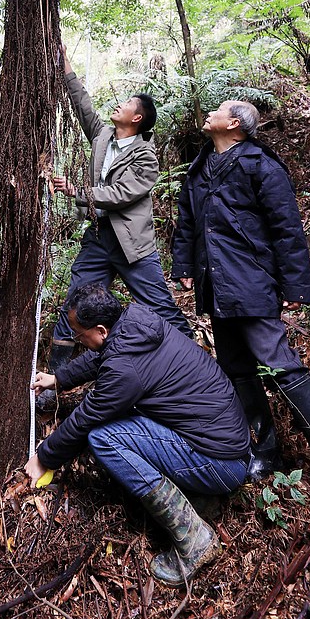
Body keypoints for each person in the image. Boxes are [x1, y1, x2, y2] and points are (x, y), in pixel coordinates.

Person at [171, 100, 310, 515]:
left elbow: (286, 227)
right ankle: (267, 451)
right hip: (216, 285)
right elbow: (187, 222)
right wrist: (185, 265)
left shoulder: (260, 165)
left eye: (219, 110)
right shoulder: (201, 166)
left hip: (252, 281)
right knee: (237, 369)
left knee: (283, 366)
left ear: (235, 124)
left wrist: (295, 284)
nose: (210, 113)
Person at [25, 283, 250, 584]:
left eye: (79, 334)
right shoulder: (135, 323)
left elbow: (86, 417)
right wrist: (59, 377)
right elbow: (103, 356)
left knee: (104, 438)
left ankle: (195, 538)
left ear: (102, 329)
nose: (78, 339)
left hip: (219, 463)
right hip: (225, 444)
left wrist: (44, 457)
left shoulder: (124, 370)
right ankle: (195, 494)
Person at [42, 46, 192, 405]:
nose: (118, 105)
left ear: (137, 118)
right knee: (73, 306)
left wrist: (79, 191)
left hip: (132, 246)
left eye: (126, 104)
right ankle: (50, 386)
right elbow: (83, 105)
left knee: (160, 305)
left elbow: (123, 193)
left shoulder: (146, 156)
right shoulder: (102, 137)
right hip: (98, 238)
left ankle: (193, 360)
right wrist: (66, 68)